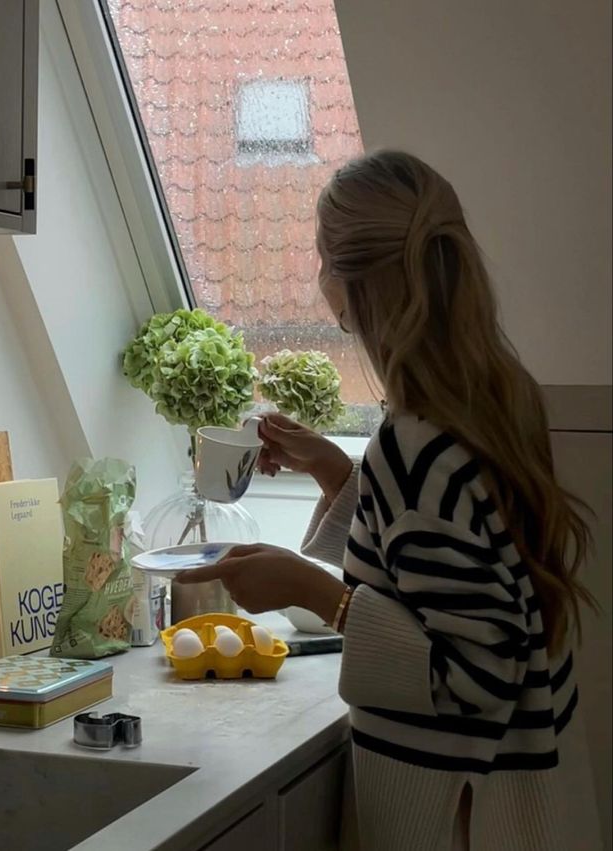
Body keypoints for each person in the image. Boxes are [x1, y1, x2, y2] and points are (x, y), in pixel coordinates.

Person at [178, 151, 602, 850]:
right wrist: (335, 474)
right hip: (527, 800)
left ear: (347, 285)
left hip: (459, 816)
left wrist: (317, 592)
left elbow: (473, 676)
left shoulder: (412, 445)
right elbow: (446, 578)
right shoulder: (494, 399)